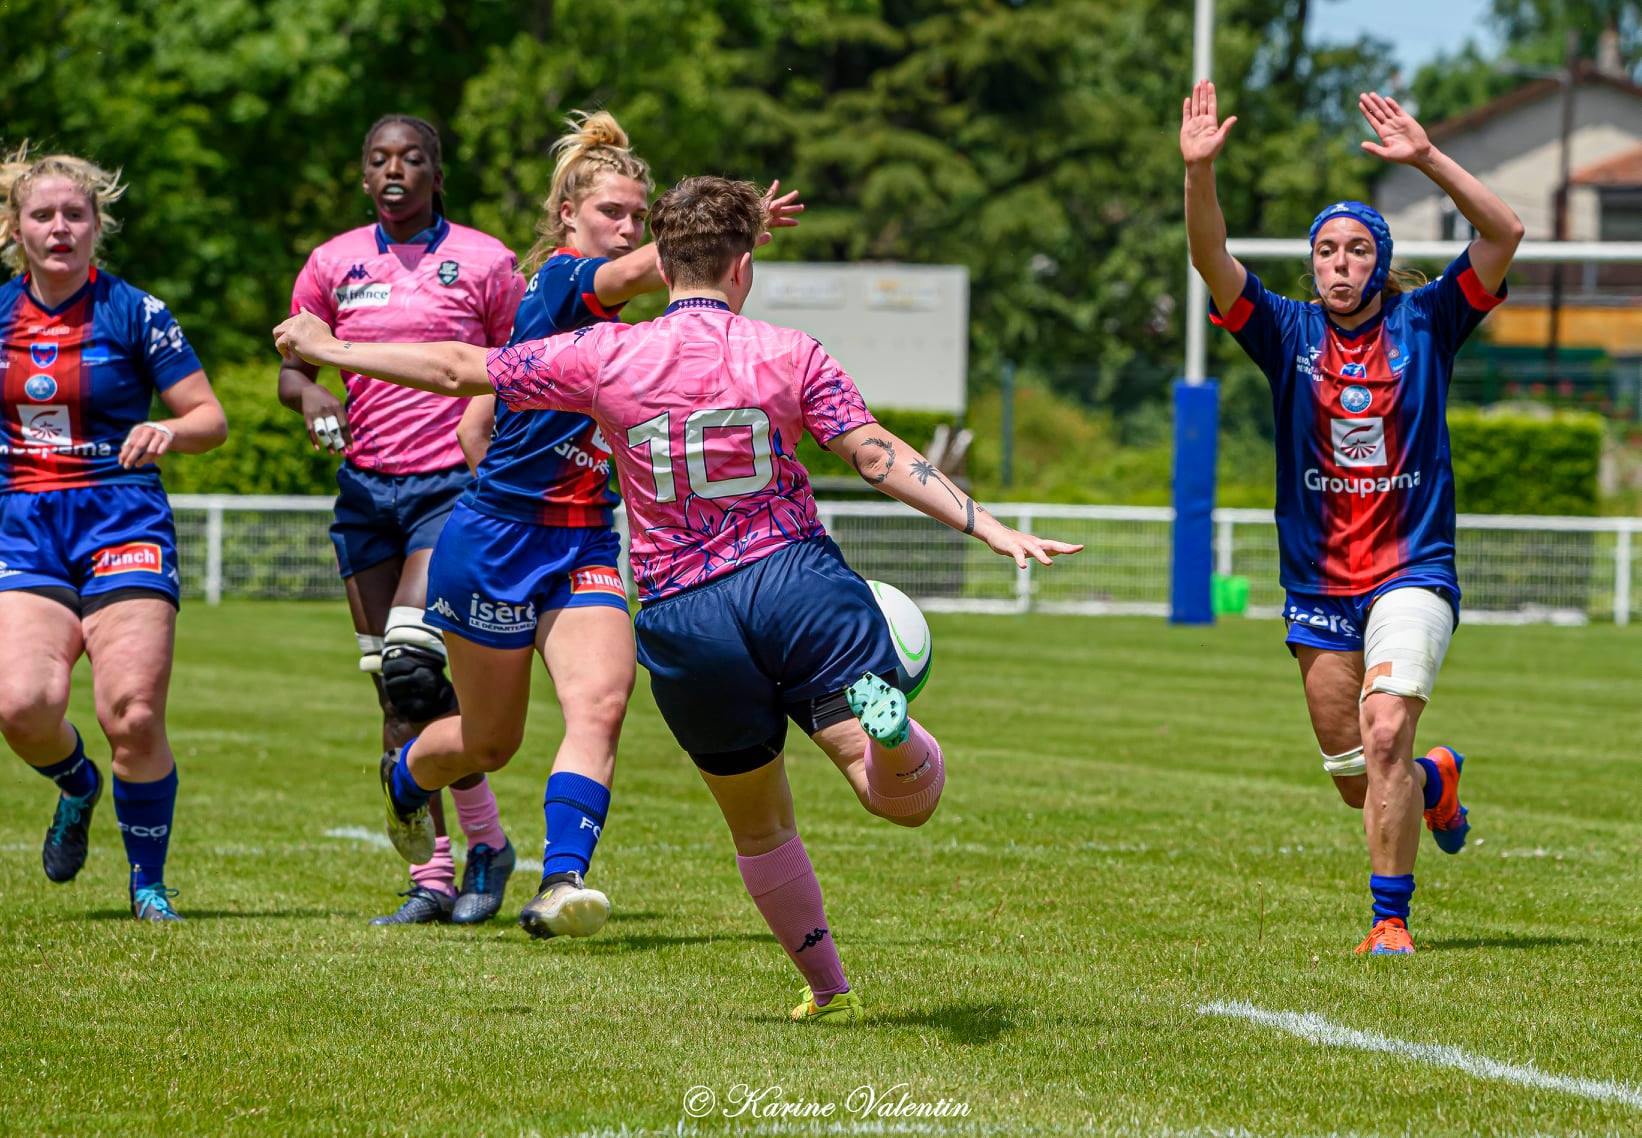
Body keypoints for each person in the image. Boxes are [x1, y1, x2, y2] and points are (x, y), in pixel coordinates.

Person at [275, 174, 1082, 1020]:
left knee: (763, 828)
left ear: (665, 269)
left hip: (685, 619)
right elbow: (875, 453)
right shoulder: (788, 351)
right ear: (744, 267)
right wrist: (983, 523)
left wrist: (334, 351)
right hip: (795, 586)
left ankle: (827, 985)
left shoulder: (605, 354)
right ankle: (893, 735)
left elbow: (457, 366)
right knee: (900, 800)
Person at [414, 111, 806, 937]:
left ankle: (561, 882)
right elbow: (628, 277)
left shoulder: (632, 334)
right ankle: (406, 778)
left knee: (601, 702)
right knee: (489, 744)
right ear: (568, 219)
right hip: (496, 541)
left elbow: (473, 423)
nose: (625, 227)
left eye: (638, 214)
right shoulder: (561, 284)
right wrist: (727, 230)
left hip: (584, 539)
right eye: (611, 214)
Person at [1181, 83, 1524, 954]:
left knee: (1383, 732)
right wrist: (1199, 174)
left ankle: (1389, 922)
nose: (1340, 264)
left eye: (1357, 250)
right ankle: (1435, 781)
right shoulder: (1282, 331)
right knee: (1357, 774)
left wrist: (1428, 158)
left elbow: (1504, 234)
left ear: (1381, 261)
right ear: (1312, 265)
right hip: (1320, 584)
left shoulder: (1430, 319)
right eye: (1327, 251)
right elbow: (1210, 254)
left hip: (1415, 568)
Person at [276, 115, 525, 925]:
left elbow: (515, 368)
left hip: (448, 492)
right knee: (396, 693)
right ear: (362, 175)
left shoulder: (486, 261)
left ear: (435, 172)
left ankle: (477, 850)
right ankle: (442, 871)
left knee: (417, 664)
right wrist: (312, 394)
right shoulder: (332, 264)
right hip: (364, 497)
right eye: (379, 158)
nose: (395, 170)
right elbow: (294, 367)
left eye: (411, 158)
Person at [0, 144, 228, 921]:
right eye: (43, 215)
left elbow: (210, 419)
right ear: (16, 228)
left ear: (97, 226)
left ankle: (147, 884)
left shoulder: (136, 311)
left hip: (122, 516)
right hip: (23, 527)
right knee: (22, 704)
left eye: (75, 214)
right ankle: (76, 784)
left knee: (131, 710)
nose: (59, 227)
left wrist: (170, 430)